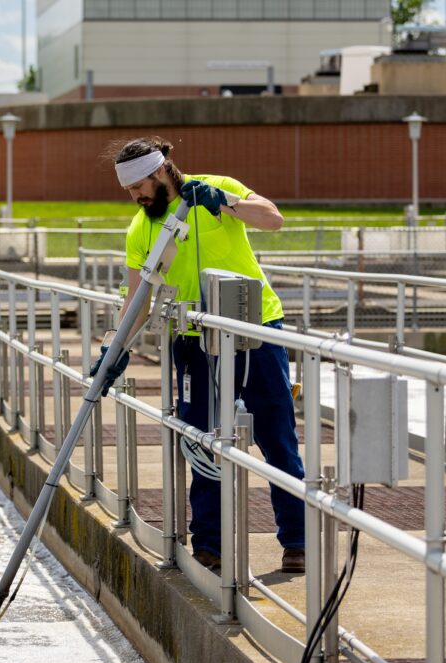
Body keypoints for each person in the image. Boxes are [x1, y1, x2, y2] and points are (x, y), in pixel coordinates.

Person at [106, 136, 306, 574]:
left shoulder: (217, 187)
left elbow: (274, 220)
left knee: (276, 436)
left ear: (160, 172)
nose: (135, 197)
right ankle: (210, 547)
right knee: (201, 442)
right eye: (129, 192)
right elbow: (138, 292)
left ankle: (298, 540)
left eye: (138, 186)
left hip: (256, 330)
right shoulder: (142, 228)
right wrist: (114, 349)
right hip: (194, 340)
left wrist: (227, 202)